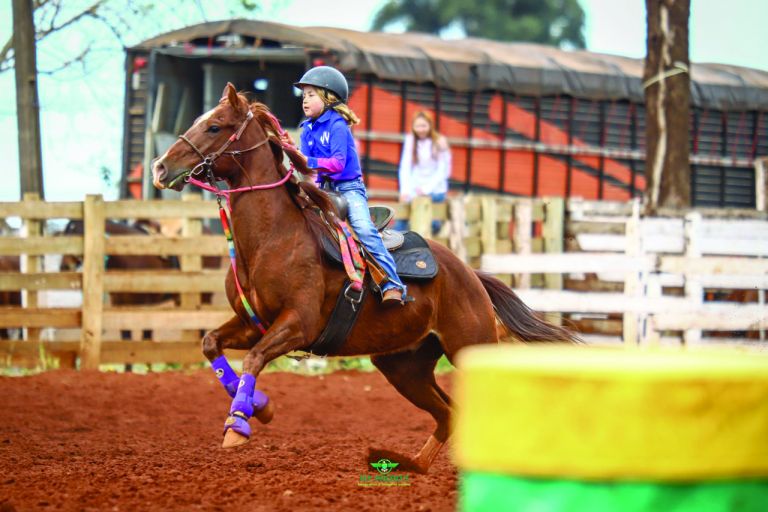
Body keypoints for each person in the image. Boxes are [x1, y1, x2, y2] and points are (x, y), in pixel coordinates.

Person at [292, 66, 406, 304]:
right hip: (323, 188)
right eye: (304, 95)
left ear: (328, 97)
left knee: (364, 230)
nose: (305, 100)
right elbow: (308, 169)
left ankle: (393, 283)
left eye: (311, 94)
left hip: (349, 188)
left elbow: (337, 163)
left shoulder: (337, 125)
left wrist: (307, 161)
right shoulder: (307, 128)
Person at [395, 111, 452, 234]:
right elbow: (405, 167)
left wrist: (426, 189)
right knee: (401, 221)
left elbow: (443, 170)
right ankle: (392, 247)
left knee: (431, 225)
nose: (421, 129)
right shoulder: (410, 140)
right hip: (414, 190)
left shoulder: (439, 141)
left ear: (430, 125)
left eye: (424, 126)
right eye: (418, 126)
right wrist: (404, 190)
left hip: (435, 190)